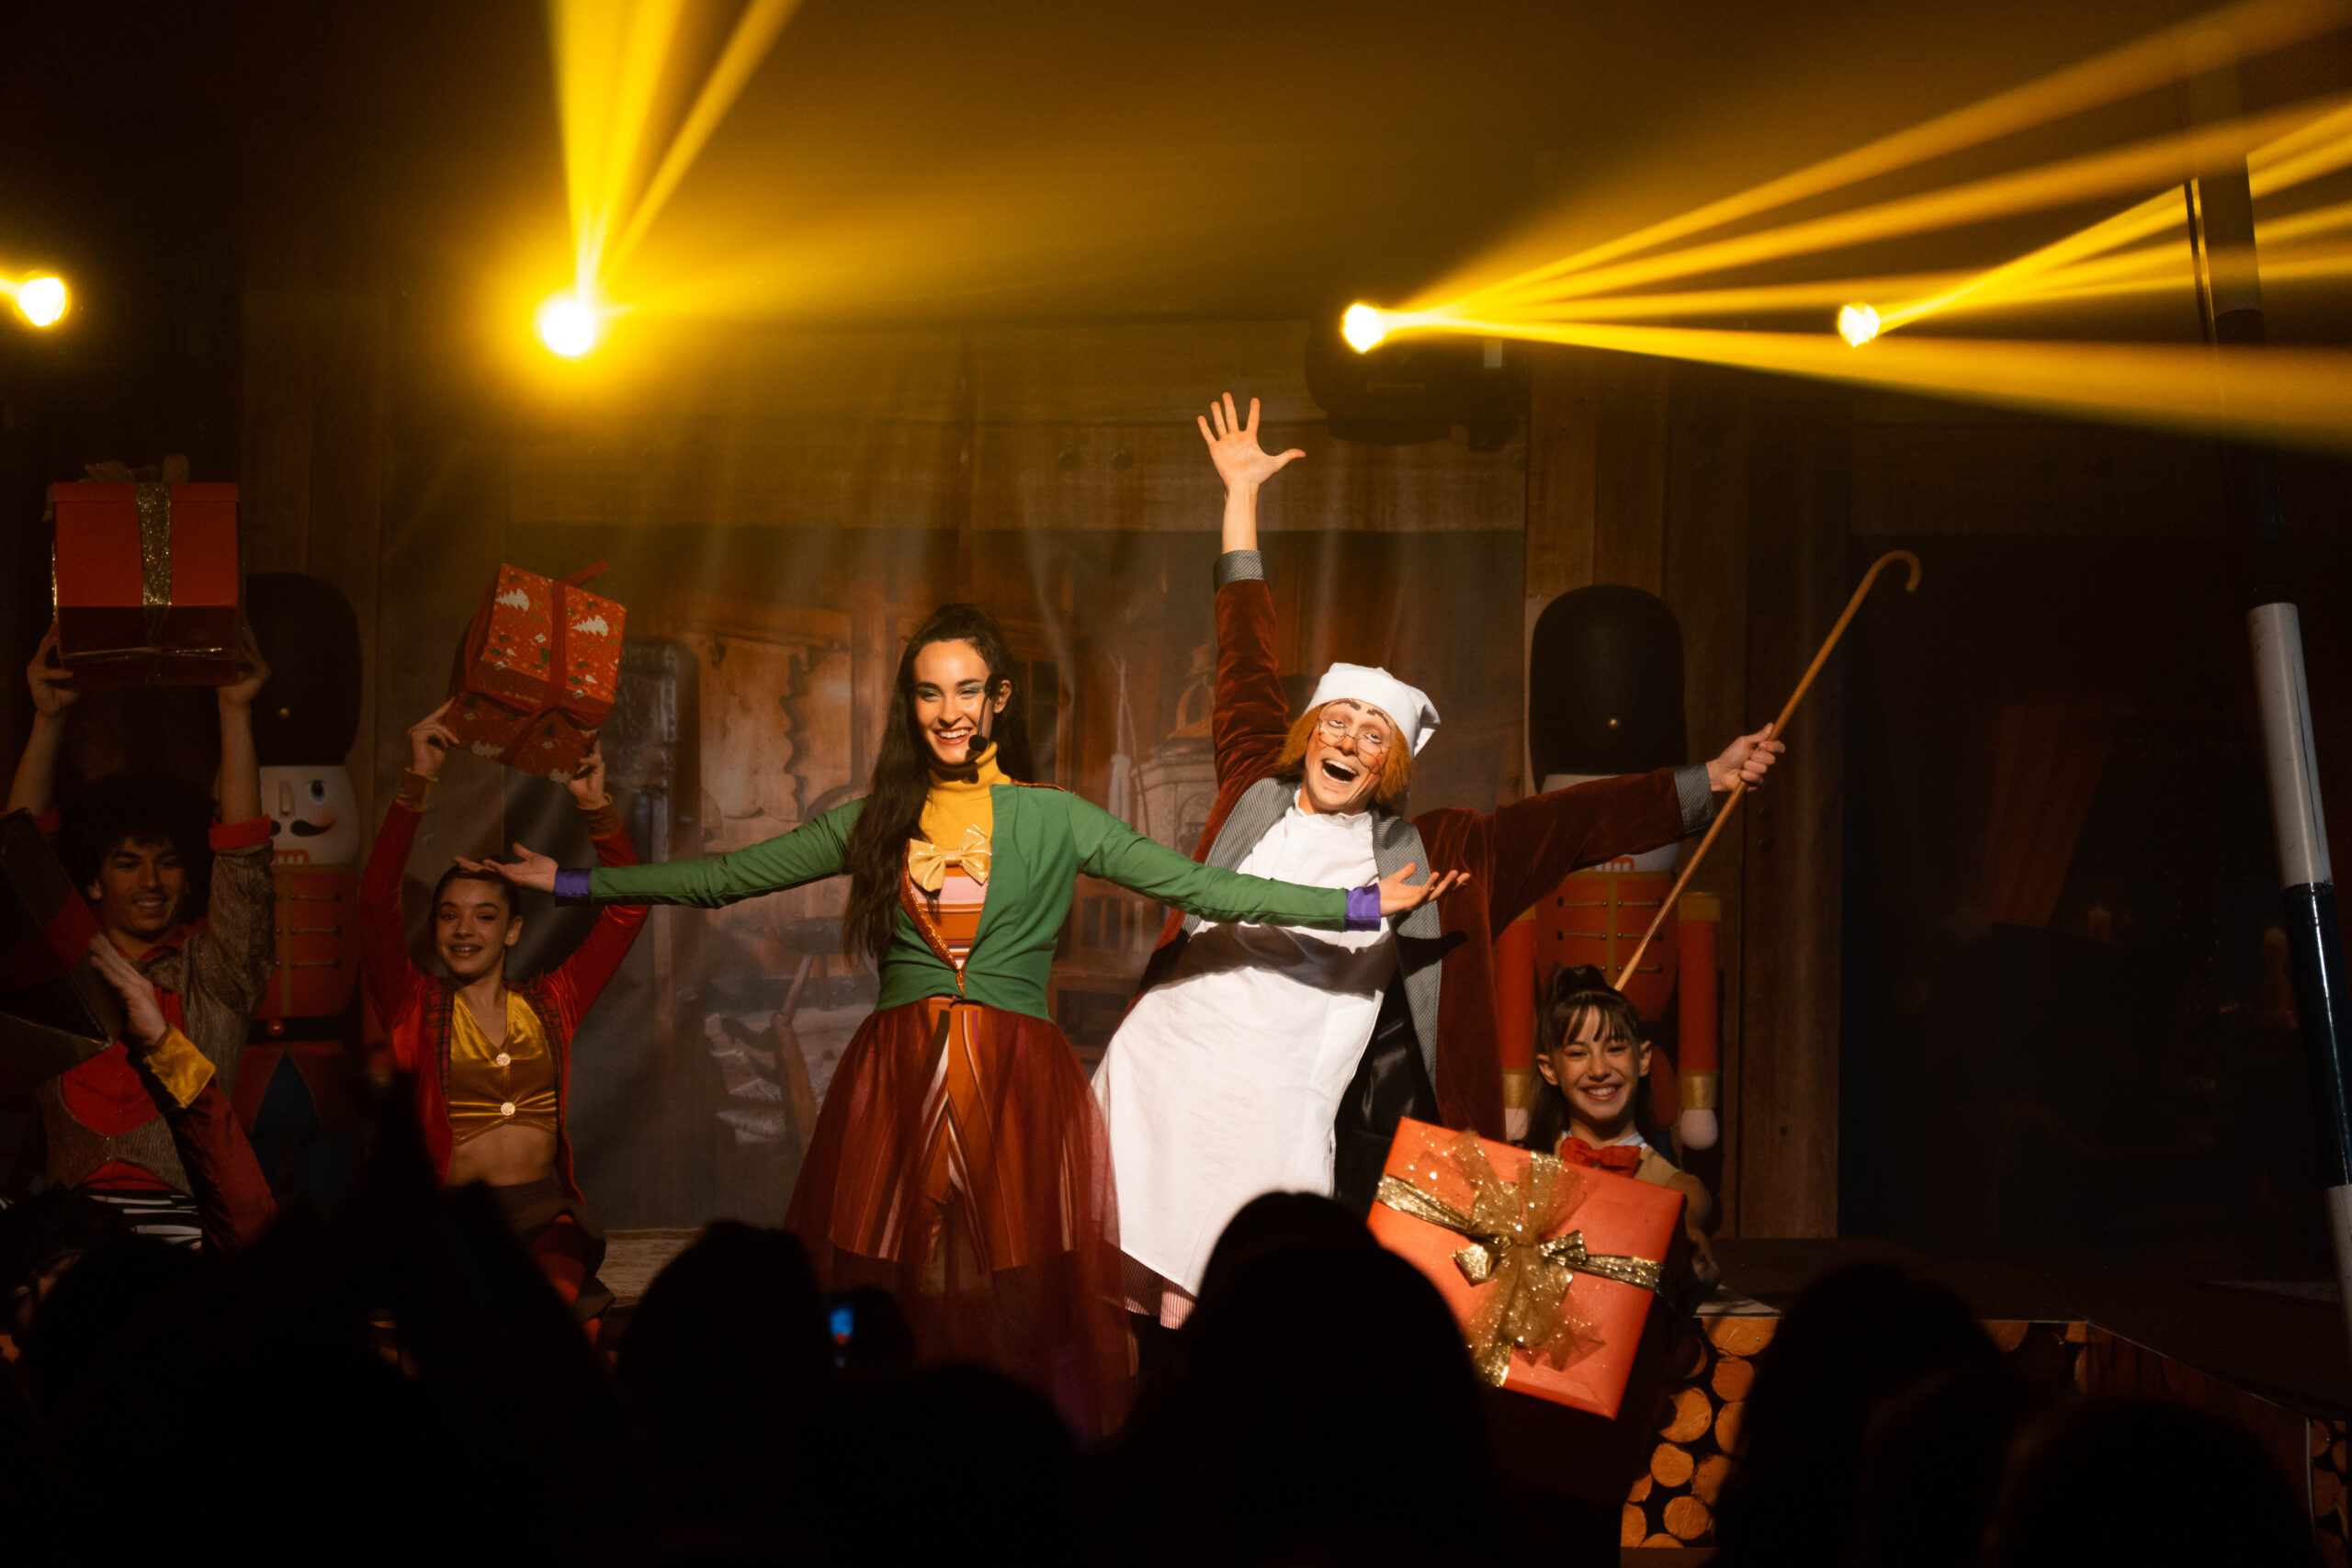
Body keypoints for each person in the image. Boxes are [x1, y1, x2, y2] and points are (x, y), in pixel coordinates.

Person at [473, 602, 1456, 1433]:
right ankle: (866, 1441)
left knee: (1016, 1285)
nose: (949, 711)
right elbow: (726, 876)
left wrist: (1357, 903)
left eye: (967, 690)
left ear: (999, 700)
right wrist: (573, 880)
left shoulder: (1055, 815)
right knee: (880, 1276)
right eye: (929, 692)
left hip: (1013, 1070)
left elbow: (1204, 886)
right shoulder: (878, 818)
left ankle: (1013, 1459)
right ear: (913, 705)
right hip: (898, 1069)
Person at [1092, 394, 1781, 1326]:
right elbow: (1243, 649)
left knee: (1248, 1310)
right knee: (1131, 1306)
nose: (1348, 739)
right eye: (1336, 721)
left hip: (1273, 1111)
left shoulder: (1437, 851)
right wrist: (1241, 497)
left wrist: (1703, 781)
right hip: (1168, 1069)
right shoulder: (1253, 787)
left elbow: (1570, 823)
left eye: (1372, 733)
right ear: (1308, 733)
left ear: (1391, 763)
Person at [357, 700, 645, 1330]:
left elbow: (630, 907)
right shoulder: (414, 1005)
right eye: (449, 915)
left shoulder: (553, 1001)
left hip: (544, 1217)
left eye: (485, 916)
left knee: (560, 1336)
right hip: (453, 1220)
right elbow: (376, 899)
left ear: (513, 930)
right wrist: (418, 780)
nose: (465, 930)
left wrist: (594, 806)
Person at [6, 624, 277, 1246]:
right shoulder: (63, 971)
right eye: (128, 863)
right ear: (93, 880)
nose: (151, 881)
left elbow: (244, 856)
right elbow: (20, 861)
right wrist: (49, 720)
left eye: (168, 862)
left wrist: (235, 710)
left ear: (189, 878)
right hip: (71, 1230)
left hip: (186, 1232)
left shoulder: (215, 973)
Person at [1522, 963, 1717, 1288]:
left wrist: (1697, 1265)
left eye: (1614, 1049)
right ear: (1549, 1069)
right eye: (1578, 1053)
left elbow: (1692, 1238)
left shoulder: (1681, 1190)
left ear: (1643, 1059)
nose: (1599, 1070)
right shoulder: (1523, 1176)